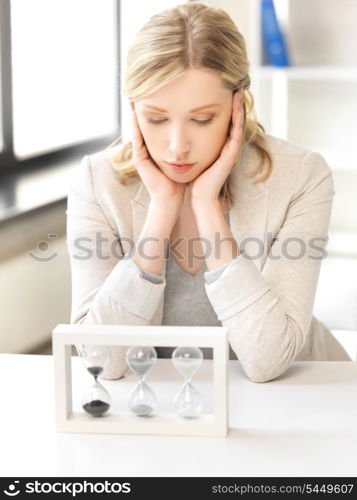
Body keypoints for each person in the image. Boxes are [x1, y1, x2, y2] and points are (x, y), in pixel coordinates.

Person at [66, 2, 350, 384]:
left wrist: (206, 207)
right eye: (156, 118)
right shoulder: (96, 182)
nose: (177, 147)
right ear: (132, 108)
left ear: (239, 104)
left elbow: (268, 360)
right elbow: (102, 359)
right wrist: (162, 208)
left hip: (302, 397)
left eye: (202, 120)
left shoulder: (301, 176)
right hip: (167, 406)